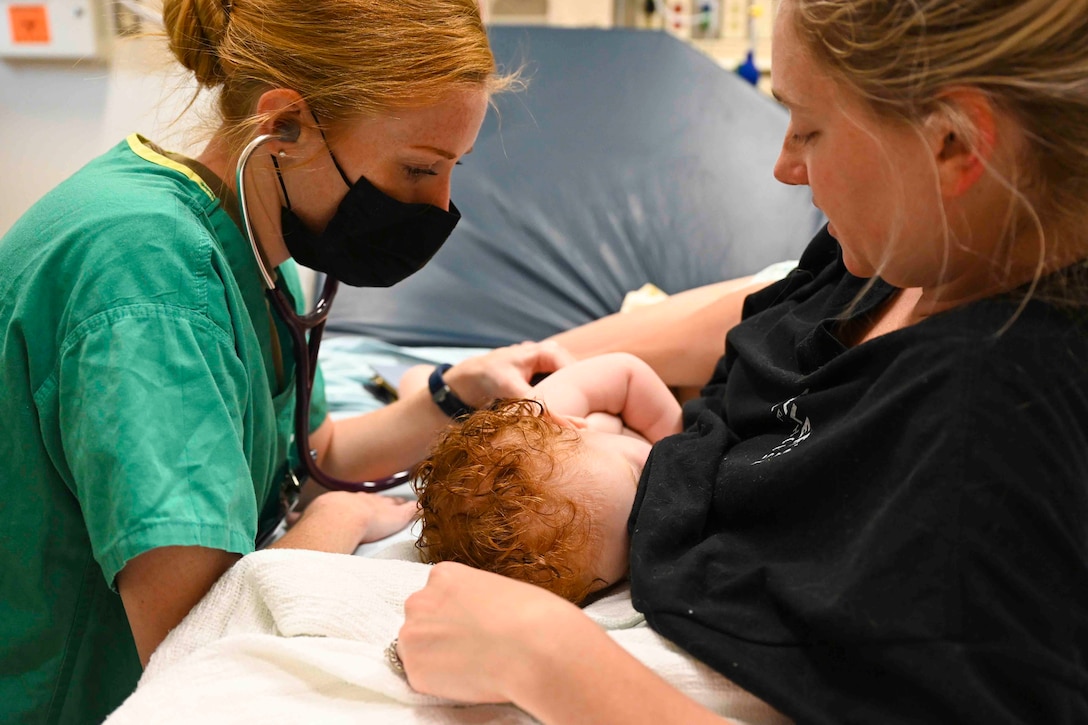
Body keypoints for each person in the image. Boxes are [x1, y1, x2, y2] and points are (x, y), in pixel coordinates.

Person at [396, 0, 1088, 723]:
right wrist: (509, 378)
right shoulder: (918, 247)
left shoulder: (995, 428)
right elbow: (765, 302)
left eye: (808, 126)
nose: (785, 166)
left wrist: (550, 661)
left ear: (952, 143)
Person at [0, 1, 574, 721]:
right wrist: (336, 521)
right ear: (284, 125)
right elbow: (194, 641)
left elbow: (306, 450)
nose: (440, 205)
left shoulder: (254, 231)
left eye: (452, 170)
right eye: (419, 168)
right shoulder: (149, 278)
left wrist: (455, 395)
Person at [413, 352, 682, 604]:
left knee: (414, 377)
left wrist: (679, 439)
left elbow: (625, 372)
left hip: (571, 364)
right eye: (633, 537)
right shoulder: (593, 460)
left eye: (638, 471)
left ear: (569, 424)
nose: (659, 490)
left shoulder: (543, 418)